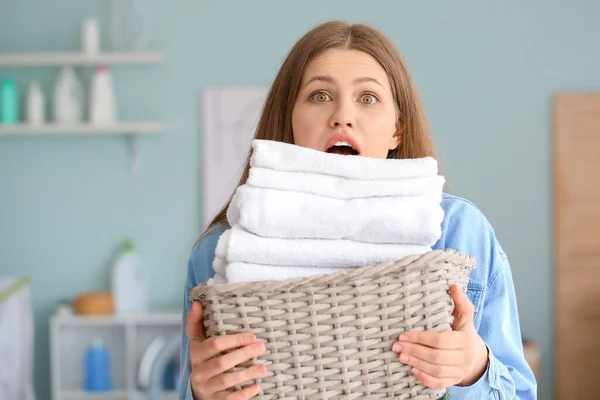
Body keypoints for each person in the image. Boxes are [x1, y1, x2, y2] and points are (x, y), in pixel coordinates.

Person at [179, 20, 537, 400]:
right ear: (290, 120)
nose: (342, 116)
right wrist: (201, 392)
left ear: (397, 129)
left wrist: (473, 370)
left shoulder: (459, 232)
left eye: (368, 98)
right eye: (319, 96)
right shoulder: (225, 249)